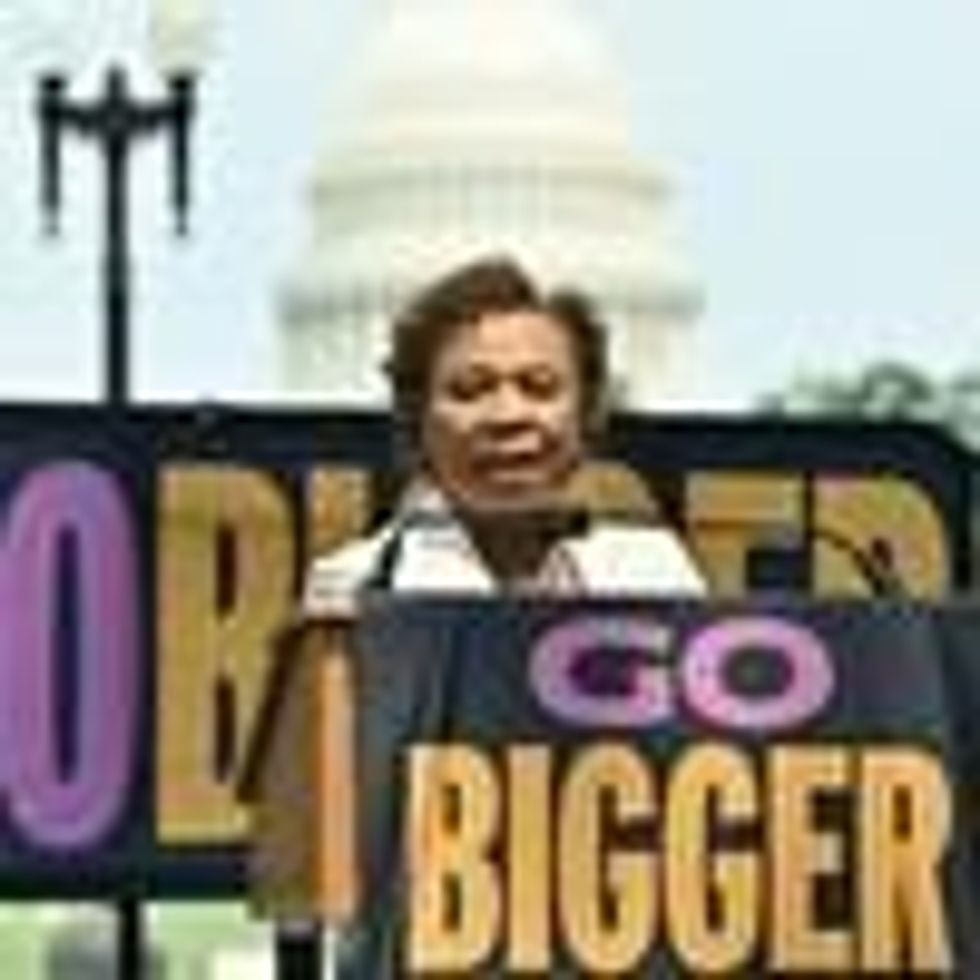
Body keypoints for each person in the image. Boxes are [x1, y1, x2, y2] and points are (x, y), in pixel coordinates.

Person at [304, 255, 704, 614]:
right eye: (470, 390)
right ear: (416, 417)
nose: (508, 416)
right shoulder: (357, 584)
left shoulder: (655, 575)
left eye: (539, 387)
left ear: (587, 413)